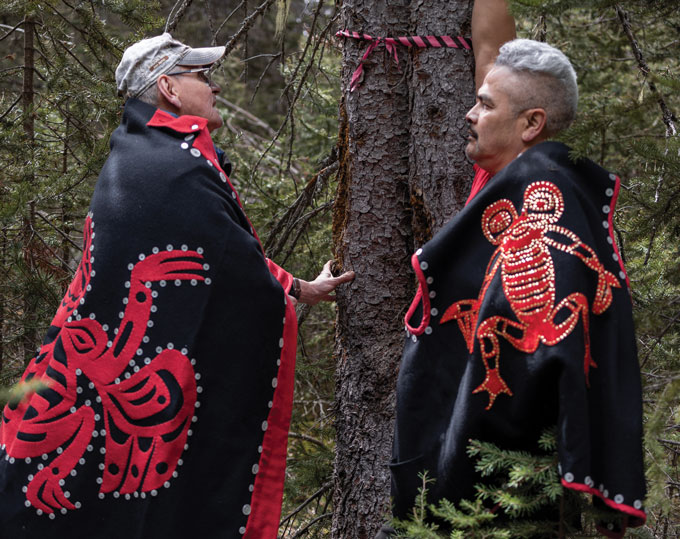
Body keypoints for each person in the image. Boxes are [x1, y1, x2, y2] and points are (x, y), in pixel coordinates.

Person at [0, 33, 353, 539]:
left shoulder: (144, 153)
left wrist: (296, 287)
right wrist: (291, 290)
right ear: (167, 86)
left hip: (96, 375)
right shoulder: (169, 167)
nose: (212, 87)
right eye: (200, 77)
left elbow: (222, 251)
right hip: (115, 379)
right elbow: (232, 262)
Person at [386, 1, 647, 538]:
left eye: (484, 104)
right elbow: (489, 50)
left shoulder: (544, 197)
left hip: (500, 490)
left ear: (531, 124)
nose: (469, 112)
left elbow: (543, 345)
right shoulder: (506, 185)